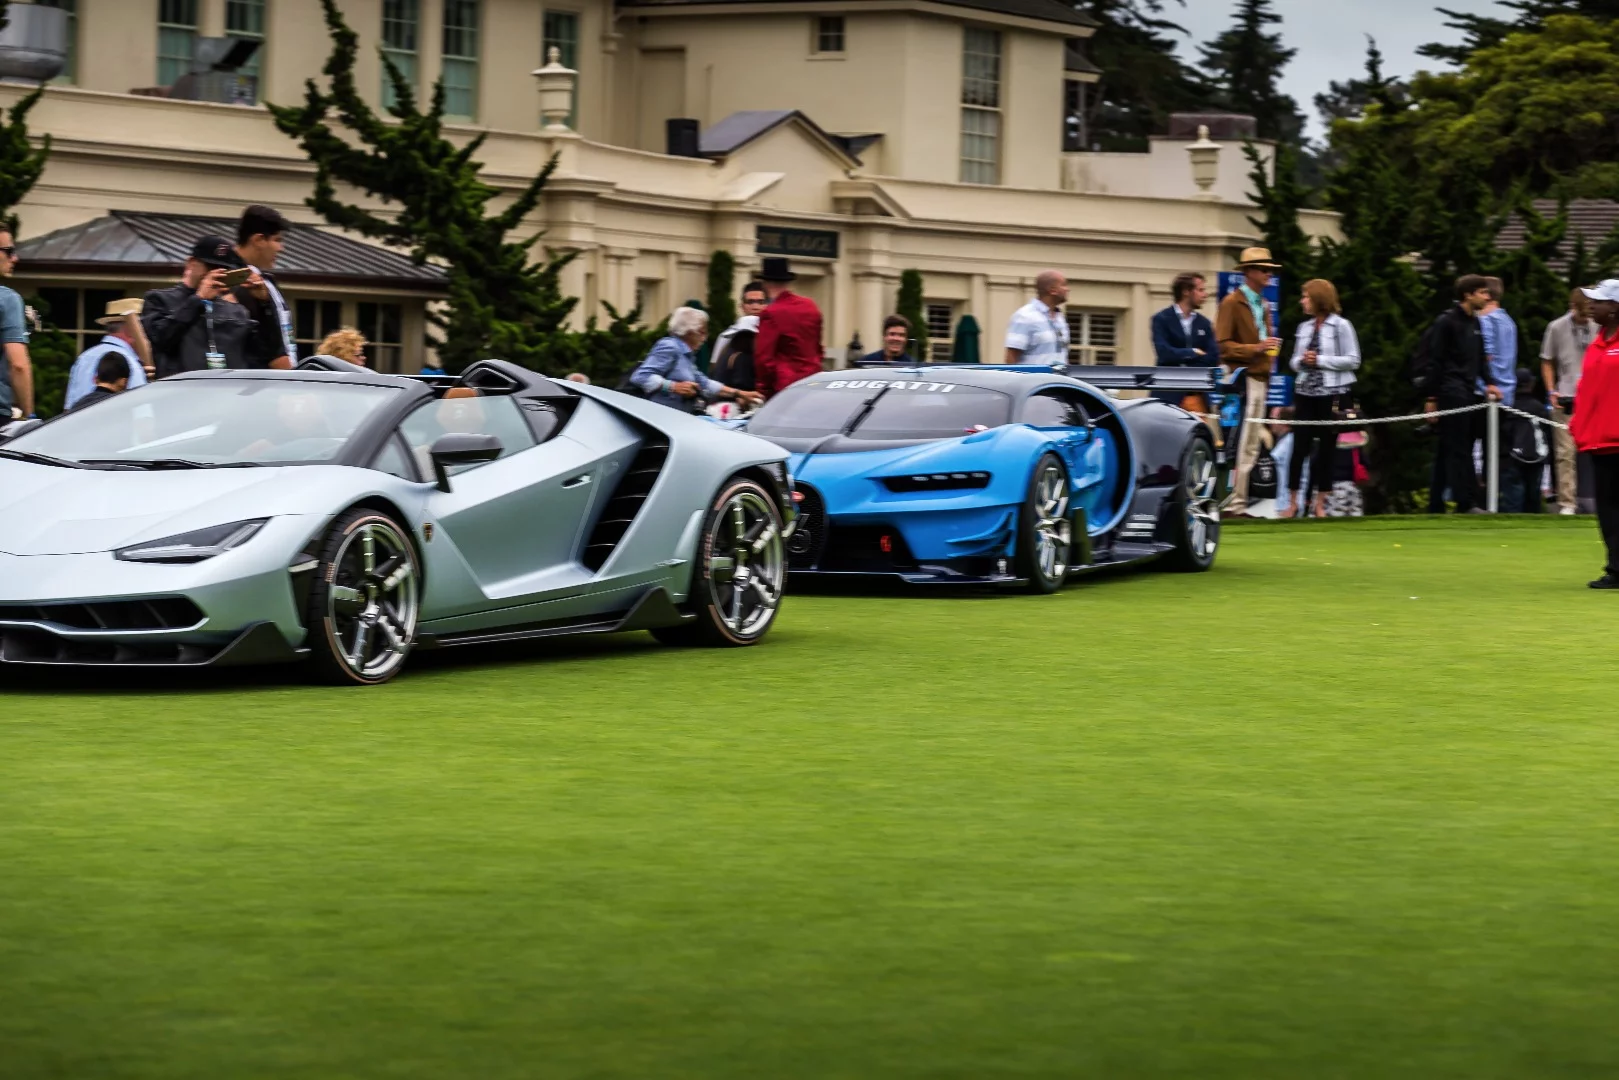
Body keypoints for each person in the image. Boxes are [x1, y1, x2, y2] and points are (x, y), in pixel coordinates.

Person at [1282, 279, 1361, 519]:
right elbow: (1293, 361)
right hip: (1305, 392)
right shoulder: (1304, 327)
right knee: (1299, 448)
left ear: (1318, 299)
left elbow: (1353, 360)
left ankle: (1320, 505)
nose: (1302, 301)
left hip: (1331, 394)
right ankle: (1293, 502)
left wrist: (1321, 360)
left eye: (1306, 296)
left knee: (1327, 450)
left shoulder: (1341, 326)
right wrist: (1303, 361)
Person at [1215, 247, 1284, 515]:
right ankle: (1233, 502)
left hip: (1260, 379)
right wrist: (1255, 348)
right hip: (1242, 380)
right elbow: (1222, 346)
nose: (1269, 274)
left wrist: (1265, 352)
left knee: (1252, 442)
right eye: (1265, 269)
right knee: (1241, 441)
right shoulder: (1231, 303)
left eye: (1270, 270)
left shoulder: (1263, 305)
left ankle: (1239, 502)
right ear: (1250, 272)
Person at [141, 235, 265, 377]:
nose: (215, 274)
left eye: (223, 269)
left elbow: (263, 353)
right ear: (191, 263)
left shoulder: (237, 311)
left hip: (226, 392)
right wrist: (198, 299)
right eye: (210, 267)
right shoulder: (159, 299)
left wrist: (264, 303)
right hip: (180, 392)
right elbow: (161, 340)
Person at [1426, 274, 1498, 513]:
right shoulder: (1446, 322)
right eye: (1482, 292)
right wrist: (1432, 398)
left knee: (1448, 448)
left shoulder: (1474, 322)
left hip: (1467, 390)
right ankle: (1465, 502)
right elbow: (1435, 361)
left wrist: (1489, 382)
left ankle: (1435, 503)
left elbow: (1479, 357)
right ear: (1468, 294)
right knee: (1459, 448)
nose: (1487, 296)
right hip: (1449, 390)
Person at [1568, 280, 1619, 587]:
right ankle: (1616, 567)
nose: (1591, 305)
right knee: (1609, 509)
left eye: (1598, 301)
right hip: (1601, 441)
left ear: (1614, 308)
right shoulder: (1599, 342)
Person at [629, 306, 763, 412]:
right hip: (660, 420)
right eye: (702, 332)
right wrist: (673, 386)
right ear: (688, 332)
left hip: (676, 418)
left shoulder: (686, 355)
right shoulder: (669, 346)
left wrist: (740, 393)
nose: (704, 338)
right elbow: (641, 376)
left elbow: (704, 383)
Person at [1540, 288, 1594, 515]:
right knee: (1565, 452)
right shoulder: (1556, 327)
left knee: (1598, 451)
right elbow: (1547, 360)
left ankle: (1594, 499)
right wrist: (1551, 390)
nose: (1586, 319)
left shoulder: (1599, 326)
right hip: (1566, 396)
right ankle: (1567, 502)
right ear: (1573, 308)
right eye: (1583, 315)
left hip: (1593, 398)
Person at [235, 204, 296, 369]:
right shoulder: (234, 282)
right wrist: (290, 378)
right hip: (257, 383)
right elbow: (265, 343)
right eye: (277, 240)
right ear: (258, 240)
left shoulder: (266, 281)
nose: (281, 248)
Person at [754, 258, 824, 398]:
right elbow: (818, 349)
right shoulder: (810, 306)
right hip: (813, 381)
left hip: (785, 387)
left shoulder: (771, 313)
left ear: (765, 284)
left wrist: (764, 390)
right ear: (787, 282)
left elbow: (764, 359)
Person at [64, 299, 151, 409]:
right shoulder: (130, 363)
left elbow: (69, 408)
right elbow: (142, 411)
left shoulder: (83, 358)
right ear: (131, 330)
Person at [0, 224, 35, 420]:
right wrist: (30, 416)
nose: (15, 258)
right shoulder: (7, 299)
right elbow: (18, 365)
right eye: (9, 251)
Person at [1504, 366, 1550, 514]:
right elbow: (1547, 434)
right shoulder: (1539, 408)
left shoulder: (1508, 408)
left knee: (1513, 500)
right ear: (1531, 384)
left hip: (1511, 457)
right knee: (1533, 497)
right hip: (1536, 457)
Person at [710, 281, 768, 391]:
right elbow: (715, 370)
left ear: (767, 305)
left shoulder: (773, 335)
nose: (755, 307)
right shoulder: (726, 336)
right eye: (750, 302)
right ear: (742, 306)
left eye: (760, 302)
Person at [1004, 270, 1070, 365]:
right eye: (1064, 285)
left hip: (1059, 379)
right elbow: (1011, 357)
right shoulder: (1025, 316)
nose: (1067, 289)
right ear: (1052, 290)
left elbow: (1062, 355)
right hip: (1033, 379)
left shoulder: (1060, 318)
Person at [1151, 272, 1217, 367]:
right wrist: (1192, 352)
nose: (1205, 294)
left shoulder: (1205, 323)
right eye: (1200, 290)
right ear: (1185, 291)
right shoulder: (1161, 319)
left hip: (1196, 380)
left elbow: (1212, 357)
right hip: (1169, 379)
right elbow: (1164, 353)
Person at [1479, 277, 1518, 406]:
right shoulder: (1508, 321)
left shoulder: (1485, 320)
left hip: (1487, 393)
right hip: (1507, 392)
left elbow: (1485, 356)